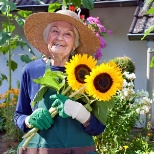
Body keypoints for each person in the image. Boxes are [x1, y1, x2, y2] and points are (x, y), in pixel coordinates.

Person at [14, 9, 106, 154]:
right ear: (46, 37)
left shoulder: (89, 75)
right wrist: (29, 120)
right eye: (55, 31)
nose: (60, 37)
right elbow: (19, 115)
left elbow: (98, 128)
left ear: (75, 43)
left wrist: (80, 112)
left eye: (68, 34)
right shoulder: (31, 70)